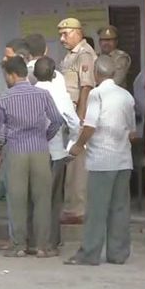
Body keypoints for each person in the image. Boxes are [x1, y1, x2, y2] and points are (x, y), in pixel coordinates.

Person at [65, 56, 135, 266]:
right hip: (123, 161)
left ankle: (90, 253)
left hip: (101, 161)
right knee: (120, 209)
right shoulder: (126, 96)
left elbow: (90, 126)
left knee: (96, 209)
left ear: (96, 73)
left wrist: (77, 146)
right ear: (113, 73)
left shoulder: (96, 94)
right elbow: (132, 132)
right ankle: (118, 253)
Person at [0, 56, 62, 258]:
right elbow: (57, 120)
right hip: (40, 150)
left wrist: (8, 139)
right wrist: (44, 137)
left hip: (15, 152)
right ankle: (41, 247)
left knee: (17, 200)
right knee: (42, 200)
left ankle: (19, 246)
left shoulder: (4, 98)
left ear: (11, 75)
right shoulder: (42, 94)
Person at [33, 57, 81, 253]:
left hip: (32, 151)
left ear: (34, 74)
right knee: (53, 200)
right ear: (54, 74)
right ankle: (50, 243)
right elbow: (75, 124)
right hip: (55, 153)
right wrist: (70, 146)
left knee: (34, 199)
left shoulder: (29, 92)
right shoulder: (60, 95)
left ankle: (32, 241)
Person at [58, 18, 97, 225]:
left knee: (78, 164)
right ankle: (72, 206)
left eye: (66, 34)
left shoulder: (85, 54)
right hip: (70, 114)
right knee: (71, 163)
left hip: (78, 115)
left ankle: (78, 209)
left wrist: (81, 117)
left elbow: (86, 87)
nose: (62, 38)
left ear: (79, 33)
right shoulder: (71, 55)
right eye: (60, 34)